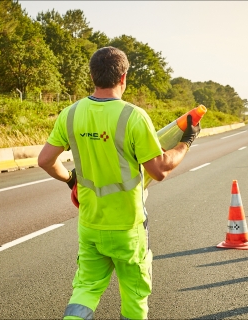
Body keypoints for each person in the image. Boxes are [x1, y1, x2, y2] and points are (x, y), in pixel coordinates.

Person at [38, 46, 201, 320]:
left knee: (85, 290)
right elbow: (159, 169)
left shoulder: (71, 114)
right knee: (135, 297)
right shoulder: (133, 116)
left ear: (92, 76)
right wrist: (187, 141)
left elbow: (45, 160)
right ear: (123, 77)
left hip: (90, 226)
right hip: (128, 228)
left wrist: (70, 178)